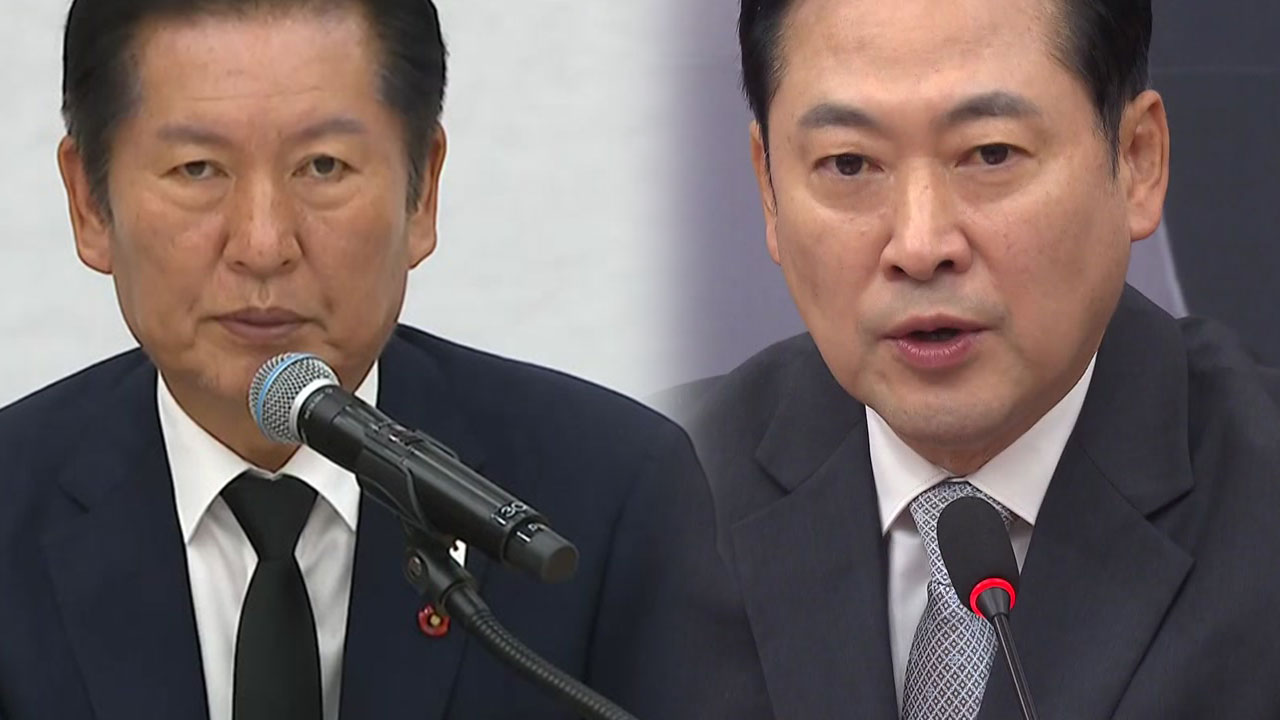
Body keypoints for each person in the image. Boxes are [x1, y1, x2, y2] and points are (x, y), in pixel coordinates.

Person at [0, 1, 719, 718]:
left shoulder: (612, 495)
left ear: (422, 192)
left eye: (323, 166)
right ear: (89, 203)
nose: (263, 244)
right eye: (197, 169)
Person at [676, 0, 1280, 718]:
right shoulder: (659, 498)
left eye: (991, 154)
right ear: (770, 190)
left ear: (1137, 160)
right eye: (849, 163)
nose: (920, 246)